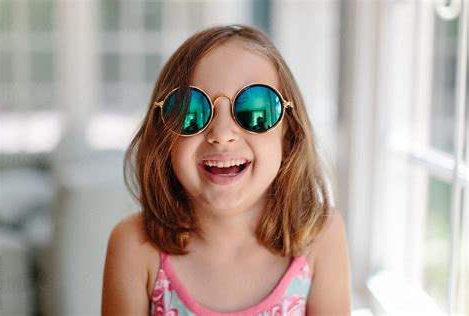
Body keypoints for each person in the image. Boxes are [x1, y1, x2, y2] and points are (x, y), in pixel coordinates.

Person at [102, 24, 351, 316]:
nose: (221, 133)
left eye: (254, 111)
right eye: (191, 112)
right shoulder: (135, 245)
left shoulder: (320, 237)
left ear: (289, 132)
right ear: (163, 139)